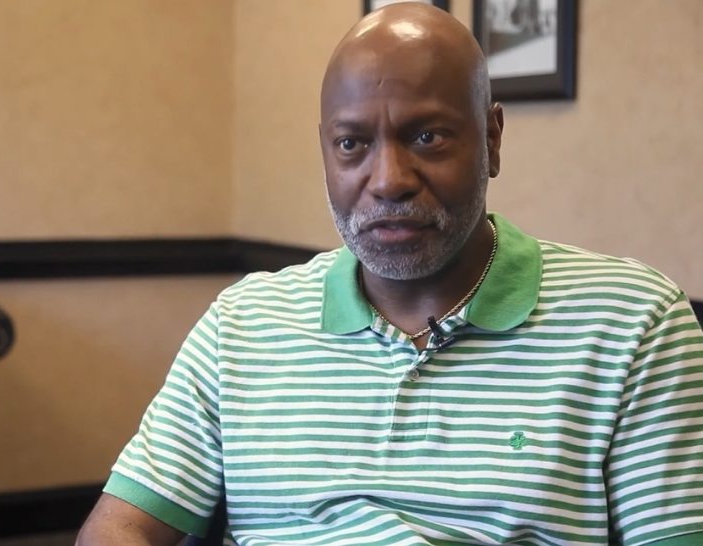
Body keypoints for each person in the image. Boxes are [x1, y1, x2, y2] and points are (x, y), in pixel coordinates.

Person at [76, 3, 703, 545]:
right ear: (324, 148)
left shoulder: (633, 322)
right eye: (352, 144)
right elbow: (118, 528)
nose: (388, 181)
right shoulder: (241, 326)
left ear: (492, 138)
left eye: (427, 136)